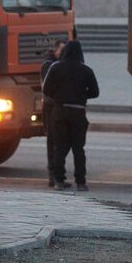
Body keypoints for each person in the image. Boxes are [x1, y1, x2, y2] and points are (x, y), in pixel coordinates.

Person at [41, 39, 100, 191]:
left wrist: (59, 96)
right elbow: (95, 92)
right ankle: (81, 182)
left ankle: (58, 180)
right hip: (78, 112)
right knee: (78, 149)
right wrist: (81, 96)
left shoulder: (56, 67)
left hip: (59, 112)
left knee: (59, 148)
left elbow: (46, 89)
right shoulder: (86, 70)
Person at [39, 40, 66, 187]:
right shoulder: (49, 65)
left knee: (59, 141)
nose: (63, 54)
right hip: (50, 106)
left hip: (56, 105)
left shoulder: (58, 64)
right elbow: (47, 88)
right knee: (52, 140)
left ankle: (57, 173)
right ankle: (52, 174)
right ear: (55, 51)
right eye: (61, 51)